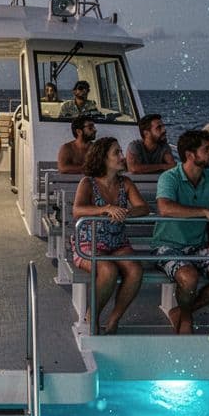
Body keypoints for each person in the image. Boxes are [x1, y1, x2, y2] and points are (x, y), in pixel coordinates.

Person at [152, 129, 209, 334]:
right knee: (189, 277)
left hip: (198, 246)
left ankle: (183, 312)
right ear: (191, 154)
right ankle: (186, 316)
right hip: (167, 245)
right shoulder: (170, 177)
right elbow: (164, 208)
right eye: (206, 149)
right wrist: (204, 211)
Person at [70, 137, 148, 334]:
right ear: (103, 158)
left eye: (121, 152)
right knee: (108, 271)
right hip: (89, 243)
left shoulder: (126, 183)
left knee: (135, 271)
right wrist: (106, 209)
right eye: (117, 153)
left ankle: (114, 318)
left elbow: (143, 207)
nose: (122, 157)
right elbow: (77, 210)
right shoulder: (88, 183)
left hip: (118, 243)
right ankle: (93, 316)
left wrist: (126, 213)